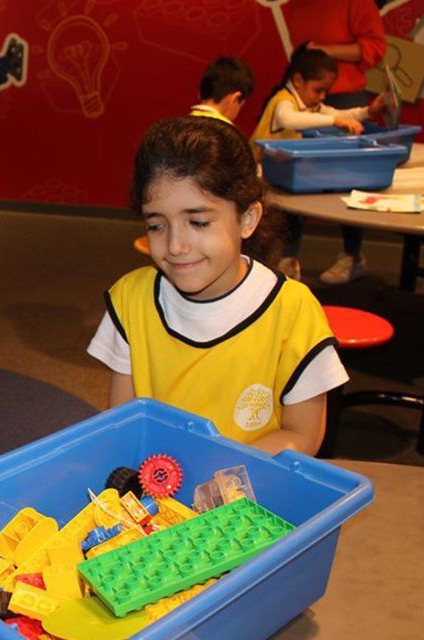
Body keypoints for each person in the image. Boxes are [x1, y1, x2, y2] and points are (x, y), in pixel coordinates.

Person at [88, 116, 348, 456]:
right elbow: (123, 424)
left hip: (251, 484)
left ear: (247, 220)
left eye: (198, 222)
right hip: (160, 483)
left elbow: (303, 435)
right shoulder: (131, 300)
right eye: (156, 225)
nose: (175, 245)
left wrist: (217, 473)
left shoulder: (292, 310)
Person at [250, 46, 384, 282]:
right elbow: (290, 119)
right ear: (298, 80)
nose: (322, 97)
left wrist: (367, 111)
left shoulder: (309, 104)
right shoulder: (283, 101)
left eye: (326, 91)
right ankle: (273, 265)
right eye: (319, 90)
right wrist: (335, 122)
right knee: (274, 223)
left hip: (283, 173)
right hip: (261, 174)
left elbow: (339, 113)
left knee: (294, 215)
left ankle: (287, 263)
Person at [285, 0, 387, 284]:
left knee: (348, 179)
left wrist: (325, 52)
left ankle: (352, 255)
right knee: (297, 175)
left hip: (345, 95)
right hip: (306, 94)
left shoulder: (356, 3)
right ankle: (288, 257)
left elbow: (376, 48)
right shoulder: (297, 6)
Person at [188, 57, 254, 125]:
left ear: (199, 93)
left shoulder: (181, 123)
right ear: (234, 98)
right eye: (241, 106)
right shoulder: (226, 131)